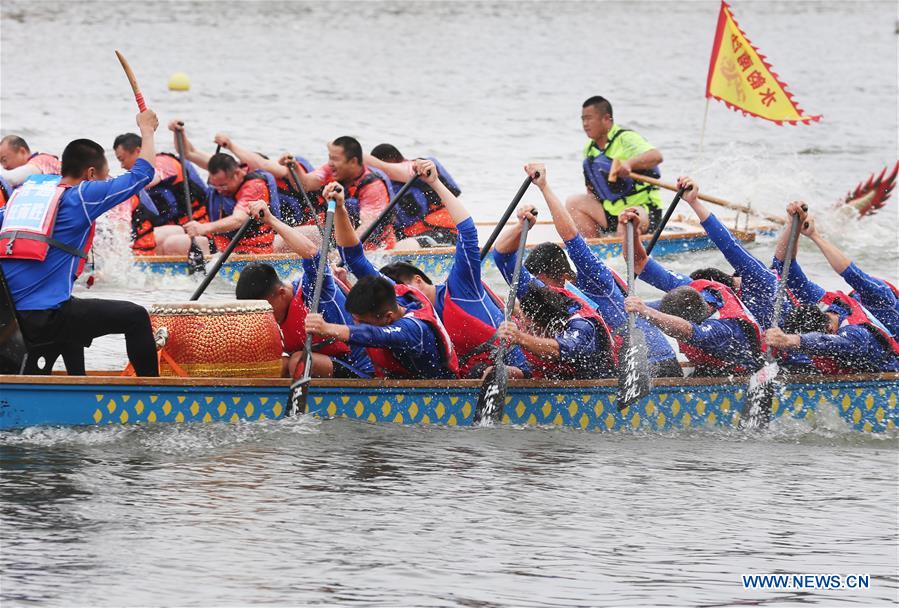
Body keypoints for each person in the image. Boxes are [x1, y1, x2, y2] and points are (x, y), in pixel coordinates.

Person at [0, 111, 162, 376]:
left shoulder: (25, 198)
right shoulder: (82, 195)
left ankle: (77, 385)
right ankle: (154, 396)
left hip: (11, 318)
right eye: (105, 176)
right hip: (43, 318)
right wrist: (147, 131)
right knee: (135, 317)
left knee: (73, 316)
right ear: (90, 174)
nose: (107, 182)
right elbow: (141, 176)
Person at [524, 162, 682, 378]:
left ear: (564, 277)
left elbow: (571, 236)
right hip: (623, 368)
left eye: (544, 285)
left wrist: (544, 187)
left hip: (655, 363)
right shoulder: (564, 304)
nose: (542, 292)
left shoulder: (594, 279)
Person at [378, 159, 528, 379]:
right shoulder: (410, 318)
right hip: (471, 374)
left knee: (487, 371)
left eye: (404, 292)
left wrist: (435, 182)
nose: (403, 301)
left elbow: (467, 231)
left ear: (418, 281)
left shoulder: (459, 286)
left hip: (513, 365)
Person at [305, 182, 458, 379]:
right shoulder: (394, 291)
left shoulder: (413, 330)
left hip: (430, 388)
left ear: (387, 317)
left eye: (361, 321)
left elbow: (372, 335)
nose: (356, 324)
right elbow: (355, 259)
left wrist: (326, 329)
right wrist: (341, 208)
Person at [234, 200, 373, 379]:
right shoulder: (269, 313)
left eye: (264, 308)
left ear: (281, 293)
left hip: (359, 368)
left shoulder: (314, 289)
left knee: (298, 360)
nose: (261, 316)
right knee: (273, 365)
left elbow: (312, 253)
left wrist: (271, 220)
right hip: (326, 366)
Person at [492, 208, 618, 380]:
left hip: (592, 383)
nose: (522, 320)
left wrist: (520, 337)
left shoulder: (581, 323)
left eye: (526, 320)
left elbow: (564, 349)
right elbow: (502, 256)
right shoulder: (536, 293)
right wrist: (520, 227)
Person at [771, 203, 899, 337]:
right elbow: (784, 266)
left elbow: (852, 274)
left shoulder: (883, 302)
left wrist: (815, 236)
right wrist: (794, 226)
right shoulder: (835, 306)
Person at [167, 121, 283, 254]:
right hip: (221, 245)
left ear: (238, 174)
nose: (218, 190)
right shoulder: (221, 170)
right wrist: (178, 132)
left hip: (252, 250)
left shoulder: (254, 186)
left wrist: (203, 228)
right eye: (214, 185)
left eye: (222, 185)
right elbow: (188, 152)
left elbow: (239, 219)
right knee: (174, 242)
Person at [565, 96, 663, 237]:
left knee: (626, 219)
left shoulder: (626, 138)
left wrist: (629, 164)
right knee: (573, 202)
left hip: (643, 209)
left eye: (589, 118)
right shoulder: (589, 149)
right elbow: (592, 191)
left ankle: (624, 245)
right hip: (610, 211)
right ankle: (594, 250)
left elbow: (656, 156)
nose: (585, 124)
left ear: (606, 119)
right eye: (583, 119)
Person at [624, 283, 766, 377]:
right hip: (708, 368)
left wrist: (645, 311)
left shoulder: (721, 330)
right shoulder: (695, 298)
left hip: (739, 375)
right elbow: (643, 264)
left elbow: (687, 330)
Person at [286, 136, 394, 249]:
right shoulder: (331, 170)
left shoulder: (373, 186)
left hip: (372, 248)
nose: (330, 163)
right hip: (335, 239)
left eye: (335, 159)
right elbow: (305, 185)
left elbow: (368, 226)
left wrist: (343, 252)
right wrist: (293, 167)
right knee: (282, 240)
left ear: (353, 161)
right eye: (330, 158)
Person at [112, 132, 210, 256]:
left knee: (146, 243)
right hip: (176, 230)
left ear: (138, 151)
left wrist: (119, 189)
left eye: (122, 159)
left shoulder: (164, 162)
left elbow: (154, 176)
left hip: (198, 230)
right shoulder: (137, 183)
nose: (122, 166)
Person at [213, 133, 322, 229]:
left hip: (310, 229)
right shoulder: (255, 187)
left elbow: (262, 164)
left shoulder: (283, 173)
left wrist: (230, 145)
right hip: (288, 229)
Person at [766, 298, 899, 374]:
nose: (812, 355)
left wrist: (793, 340)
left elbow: (825, 342)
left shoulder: (855, 335)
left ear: (829, 329)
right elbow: (793, 271)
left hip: (887, 377)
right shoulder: (832, 310)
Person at [365, 143, 461, 248]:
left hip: (447, 233)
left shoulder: (420, 169)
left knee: (405, 246)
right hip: (412, 234)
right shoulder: (384, 187)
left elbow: (389, 170)